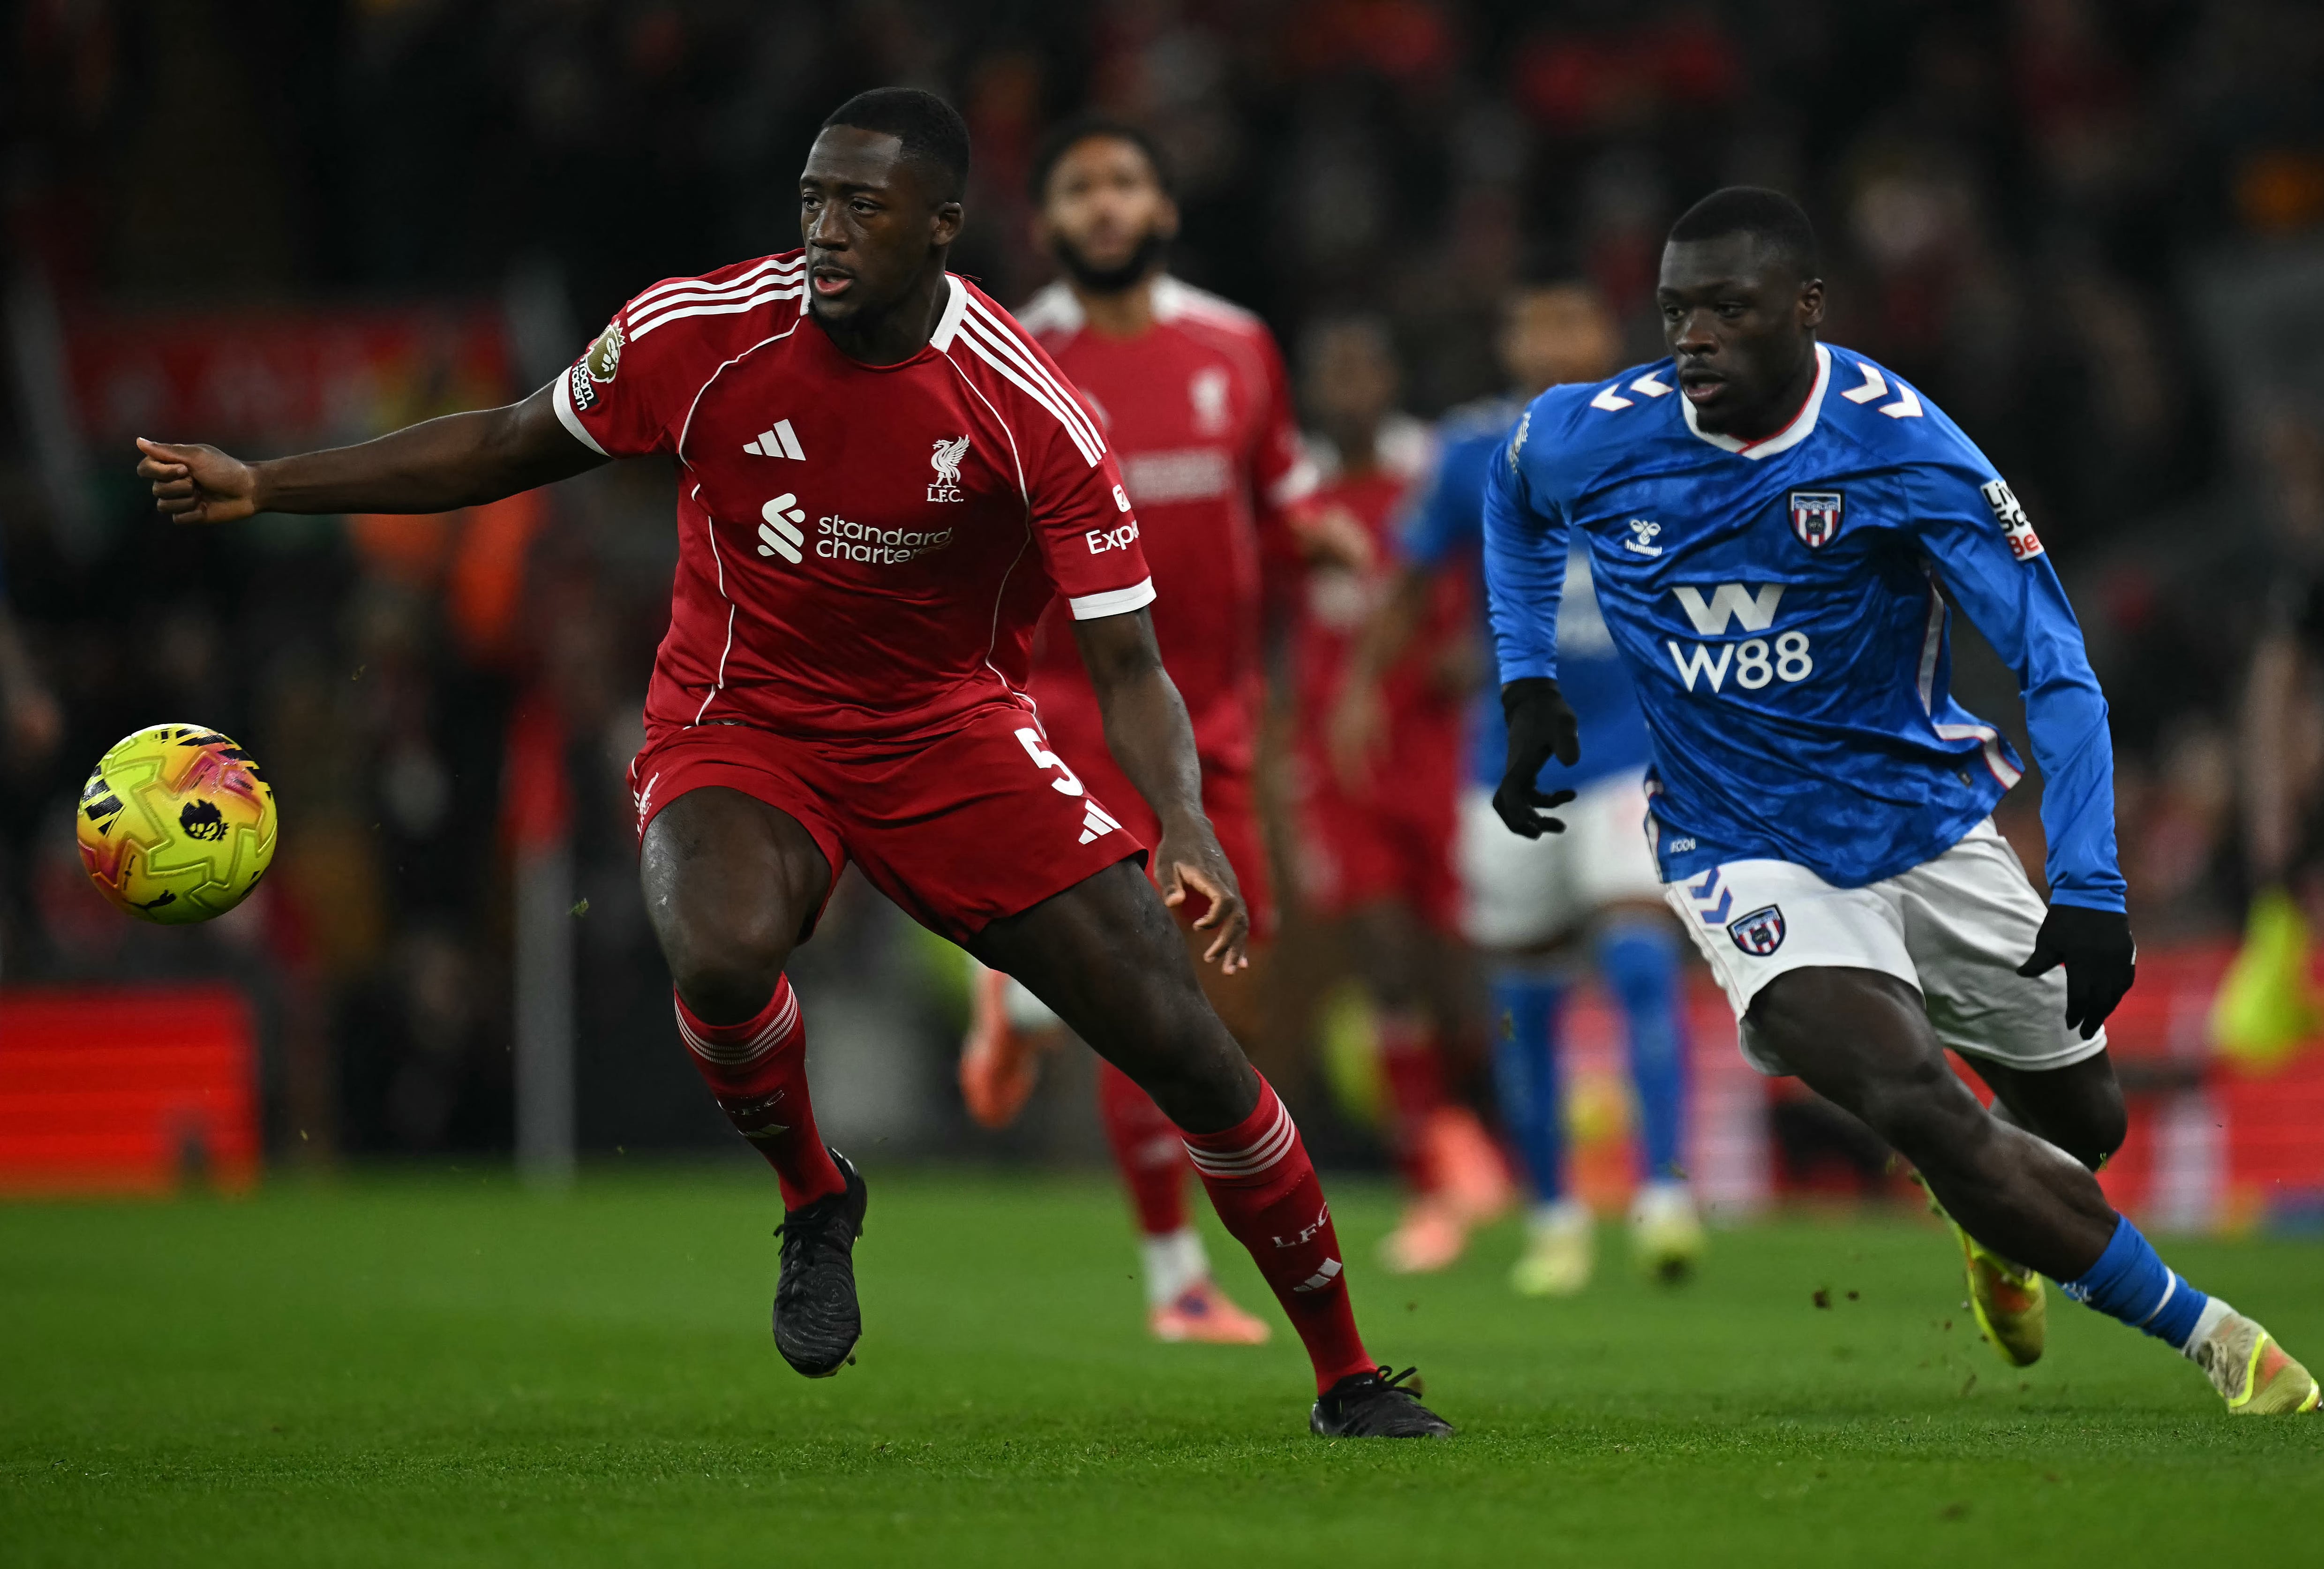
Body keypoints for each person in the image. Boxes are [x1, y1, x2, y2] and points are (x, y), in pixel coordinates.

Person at [136, 88, 1450, 1439]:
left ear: (941, 228)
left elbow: (1130, 665)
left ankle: (1348, 1372)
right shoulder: (696, 332)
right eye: (813, 201)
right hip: (739, 718)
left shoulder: (1025, 404)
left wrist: (1181, 818)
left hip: (951, 732)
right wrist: (271, 483)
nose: (823, 232)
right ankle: (816, 1195)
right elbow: (506, 441)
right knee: (715, 948)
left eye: (861, 208)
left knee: (1182, 1040)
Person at [1485, 185, 2318, 1414]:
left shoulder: (1903, 448)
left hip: (1925, 827)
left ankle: (1990, 1222)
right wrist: (1526, 681)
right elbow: (1515, 498)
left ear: (1807, 311)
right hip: (1740, 845)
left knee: (2081, 1123)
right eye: (1674, 313)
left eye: (1729, 310)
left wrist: (2088, 881)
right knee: (1917, 1098)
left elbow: (2055, 664)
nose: (1693, 340)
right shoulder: (1595, 434)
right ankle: (2217, 1341)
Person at [955, 117, 1356, 1347]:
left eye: (1126, 184)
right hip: (1083, 720)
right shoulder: (1011, 356)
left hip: (1224, 722)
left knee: (1233, 996)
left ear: (1165, 210)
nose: (1107, 207)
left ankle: (1020, 1008)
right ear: (1052, 222)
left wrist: (1326, 538)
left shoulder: (1237, 347)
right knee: (1155, 983)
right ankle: (1176, 1276)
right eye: (1081, 190)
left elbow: (1279, 493)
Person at [1335, 283, 1700, 1296]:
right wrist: (1368, 684)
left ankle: (1664, 1193)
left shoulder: (1667, 436)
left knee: (1636, 954)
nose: (1552, 341)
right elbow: (1409, 581)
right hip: (1509, 764)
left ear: (1604, 333)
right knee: (1524, 1002)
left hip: (1634, 747)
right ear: (1507, 338)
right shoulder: (1466, 452)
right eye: (1532, 323)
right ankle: (1553, 1212)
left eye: (1569, 321)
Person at [1289, 315, 1513, 1275]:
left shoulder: (1435, 469)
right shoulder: (1289, 490)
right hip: (1339, 765)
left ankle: (1489, 1145)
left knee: (1456, 977)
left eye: (1360, 363)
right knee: (1380, 957)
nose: (1346, 384)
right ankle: (1427, 1175)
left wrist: (1492, 650)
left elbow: (1502, 561)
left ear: (1387, 378)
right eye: (1330, 366)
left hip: (1442, 750)